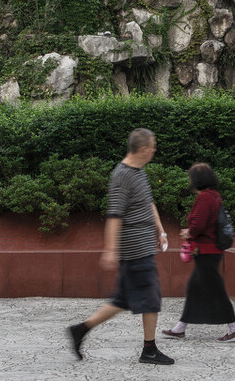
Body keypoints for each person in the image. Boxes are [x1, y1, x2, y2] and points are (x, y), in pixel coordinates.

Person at [67, 128, 173, 364]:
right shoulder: (122, 176)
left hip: (143, 247)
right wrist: (110, 250)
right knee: (151, 299)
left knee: (122, 300)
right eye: (153, 146)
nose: (155, 150)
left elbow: (148, 202)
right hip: (136, 251)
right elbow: (114, 215)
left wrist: (160, 230)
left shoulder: (139, 172)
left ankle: (80, 329)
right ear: (143, 149)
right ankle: (149, 351)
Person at [163, 163, 235, 343]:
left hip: (207, 251)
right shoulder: (215, 196)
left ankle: (234, 328)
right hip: (211, 250)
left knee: (216, 290)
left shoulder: (204, 198)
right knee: (194, 288)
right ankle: (181, 327)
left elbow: (199, 224)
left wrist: (188, 232)